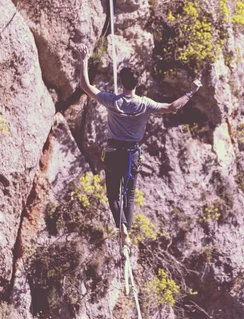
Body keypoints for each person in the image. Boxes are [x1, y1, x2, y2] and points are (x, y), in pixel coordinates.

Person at [77, 44, 201, 250]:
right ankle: (127, 228)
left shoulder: (112, 101)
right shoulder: (145, 104)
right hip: (132, 154)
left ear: (123, 83)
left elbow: (86, 86)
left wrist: (83, 59)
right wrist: (191, 91)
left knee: (113, 195)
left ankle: (121, 227)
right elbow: (172, 107)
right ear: (137, 83)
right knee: (130, 195)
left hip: (113, 152)